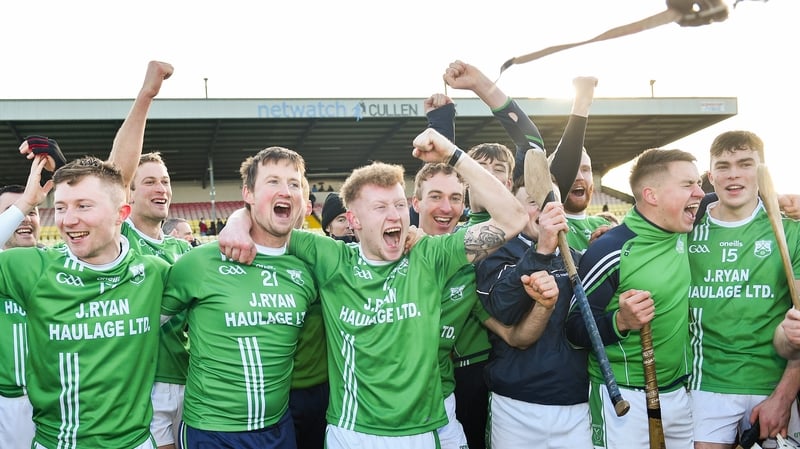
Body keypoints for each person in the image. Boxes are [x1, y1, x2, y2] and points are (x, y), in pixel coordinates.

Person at [218, 127, 527, 448]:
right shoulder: (331, 257)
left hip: (426, 430)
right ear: (353, 220)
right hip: (353, 433)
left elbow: (513, 218)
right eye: (379, 207)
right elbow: (268, 220)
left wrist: (453, 154)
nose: (393, 215)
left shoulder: (430, 255)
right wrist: (237, 221)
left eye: (397, 205)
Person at [441, 59, 595, 449]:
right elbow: (505, 308)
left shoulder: (566, 234)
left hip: (568, 395)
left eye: (500, 175)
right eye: (483, 173)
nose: (538, 209)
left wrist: (480, 85)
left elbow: (534, 146)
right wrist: (442, 124)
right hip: (493, 385)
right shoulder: (481, 233)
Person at [0, 155, 171, 449]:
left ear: (122, 213)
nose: (67, 220)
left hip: (136, 442)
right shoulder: (34, 268)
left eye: (83, 206)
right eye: (61, 207)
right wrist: (26, 203)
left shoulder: (155, 272)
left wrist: (240, 219)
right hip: (58, 443)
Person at [160, 146, 318, 449]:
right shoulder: (200, 262)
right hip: (211, 432)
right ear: (248, 194)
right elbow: (146, 327)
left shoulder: (311, 266)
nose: (285, 191)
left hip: (279, 429)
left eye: (294, 184)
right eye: (272, 182)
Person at [564, 148, 705, 449]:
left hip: (680, 393)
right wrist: (620, 321)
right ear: (652, 195)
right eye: (688, 185)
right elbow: (574, 330)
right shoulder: (610, 249)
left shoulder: (683, 227)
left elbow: (732, 198)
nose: (700, 193)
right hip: (625, 399)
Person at [688, 130, 800, 448]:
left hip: (774, 383)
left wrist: (784, 396)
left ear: (762, 172)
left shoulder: (791, 230)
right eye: (723, 166)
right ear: (711, 176)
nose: (733, 174)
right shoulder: (686, 230)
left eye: (745, 163)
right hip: (705, 384)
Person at [476, 178, 592, 449]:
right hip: (515, 405)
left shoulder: (580, 259)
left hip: (576, 403)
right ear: (515, 209)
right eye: (532, 203)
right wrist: (541, 252)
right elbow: (503, 309)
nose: (544, 212)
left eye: (551, 203)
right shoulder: (495, 253)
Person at [0, 152, 52, 449]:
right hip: (9, 404)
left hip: (61, 399)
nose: (26, 218)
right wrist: (23, 205)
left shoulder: (59, 264)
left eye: (33, 211)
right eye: (15, 212)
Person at [289, 178, 329, 449]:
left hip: (325, 390)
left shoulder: (325, 257)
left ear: (308, 207)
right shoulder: (250, 254)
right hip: (277, 394)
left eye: (296, 192)